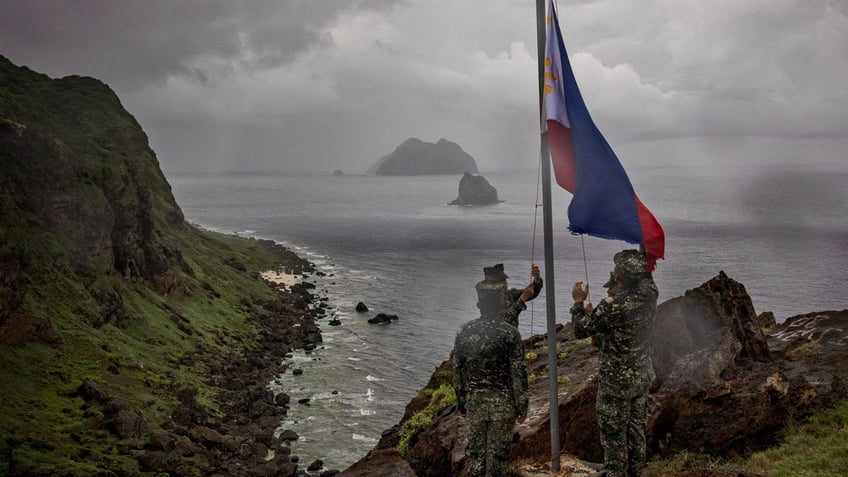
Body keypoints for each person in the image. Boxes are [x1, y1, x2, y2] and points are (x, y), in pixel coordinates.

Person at [570, 250, 658, 477]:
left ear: (618, 276)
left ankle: (616, 473)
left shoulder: (612, 306)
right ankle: (637, 472)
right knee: (636, 429)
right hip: (642, 376)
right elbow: (646, 277)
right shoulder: (650, 294)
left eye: (616, 268)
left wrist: (578, 304)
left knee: (614, 433)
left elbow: (581, 330)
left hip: (616, 383)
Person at [452, 264, 540, 477]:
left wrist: (461, 402)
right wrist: (522, 405)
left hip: (475, 402)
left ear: (479, 303)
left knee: (476, 458)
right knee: (498, 460)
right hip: (503, 402)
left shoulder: (465, 331)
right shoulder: (510, 334)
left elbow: (458, 370)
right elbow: (518, 373)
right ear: (501, 301)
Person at [483, 263, 542, 328]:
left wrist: (537, 279)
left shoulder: (510, 294)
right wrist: (521, 300)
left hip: (512, 336)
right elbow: (502, 321)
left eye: (505, 280)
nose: (506, 283)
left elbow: (532, 293)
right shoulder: (488, 301)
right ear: (493, 284)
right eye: (502, 281)